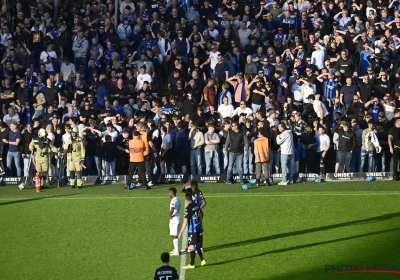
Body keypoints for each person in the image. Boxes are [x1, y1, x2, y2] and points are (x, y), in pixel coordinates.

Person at [178, 192, 206, 269]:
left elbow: (185, 222)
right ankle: (202, 260)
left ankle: (191, 264)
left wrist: (180, 232)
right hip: (198, 228)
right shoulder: (197, 205)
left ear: (186, 199)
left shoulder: (188, 209)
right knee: (197, 245)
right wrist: (201, 226)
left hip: (192, 230)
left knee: (191, 247)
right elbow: (200, 215)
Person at [168, 187, 181, 256]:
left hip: (174, 219)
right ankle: (175, 249)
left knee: (174, 235)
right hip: (178, 217)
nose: (168, 194)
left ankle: (176, 251)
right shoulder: (178, 199)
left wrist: (170, 216)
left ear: (171, 193)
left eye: (168, 193)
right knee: (174, 234)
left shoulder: (173, 200)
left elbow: (172, 209)